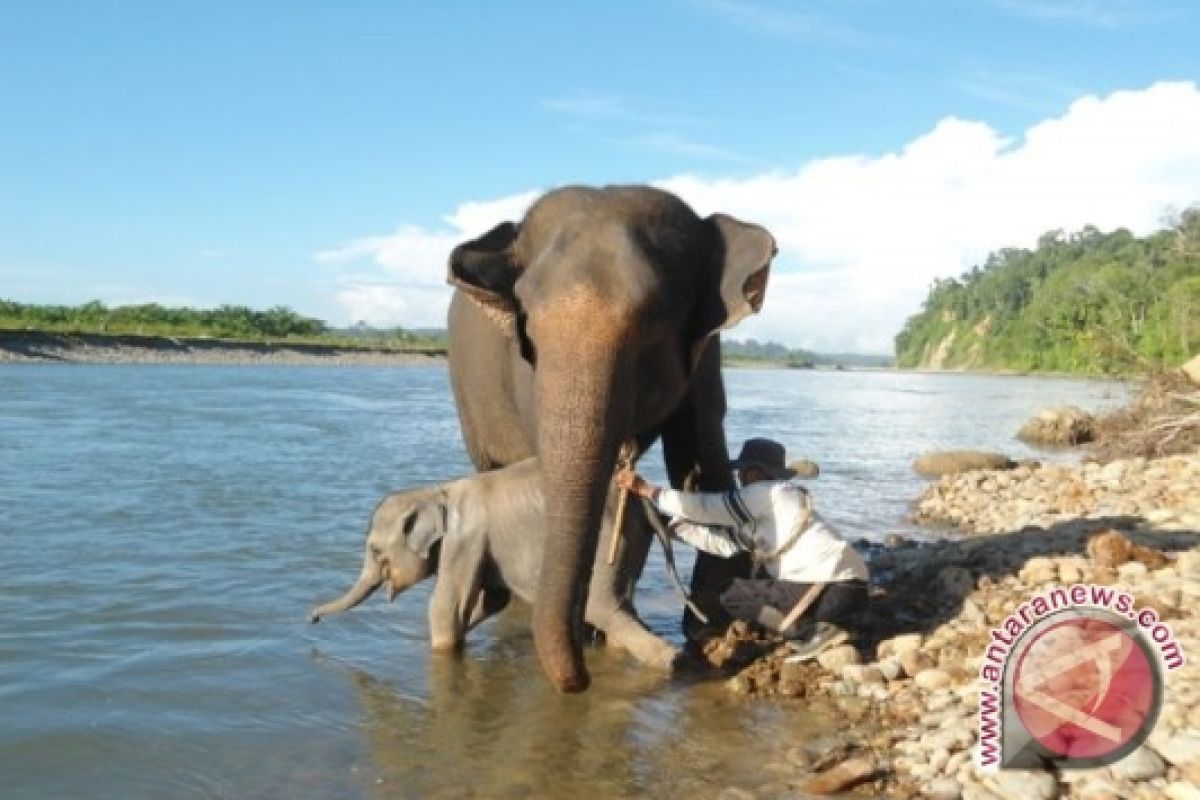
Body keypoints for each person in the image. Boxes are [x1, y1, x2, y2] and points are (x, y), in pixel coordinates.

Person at [616, 438, 868, 662]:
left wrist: (647, 490)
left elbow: (707, 507)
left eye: (742, 472)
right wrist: (672, 528)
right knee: (749, 591)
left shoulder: (768, 493)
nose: (738, 478)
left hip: (829, 589)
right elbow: (724, 545)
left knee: (731, 594)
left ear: (754, 472)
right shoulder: (775, 508)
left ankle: (807, 632)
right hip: (850, 590)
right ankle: (827, 625)